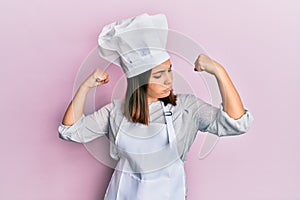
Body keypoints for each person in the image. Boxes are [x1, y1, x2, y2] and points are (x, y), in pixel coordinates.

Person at [58, 13, 254, 200]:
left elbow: (237, 124)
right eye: (159, 75)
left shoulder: (186, 108)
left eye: (169, 71)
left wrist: (219, 71)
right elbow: (70, 131)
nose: (169, 80)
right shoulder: (115, 112)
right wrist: (85, 87)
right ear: (139, 80)